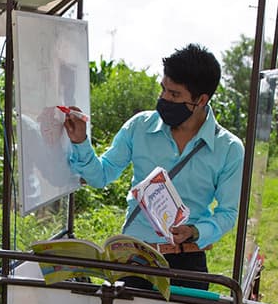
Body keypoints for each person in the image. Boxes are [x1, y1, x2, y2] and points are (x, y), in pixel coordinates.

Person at [62, 43, 245, 291]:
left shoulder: (229, 149)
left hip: (187, 261)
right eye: (163, 90)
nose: (164, 99)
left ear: (201, 99)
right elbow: (101, 176)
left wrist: (194, 230)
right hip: (136, 257)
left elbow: (228, 213)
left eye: (175, 95)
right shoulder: (139, 127)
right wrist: (80, 142)